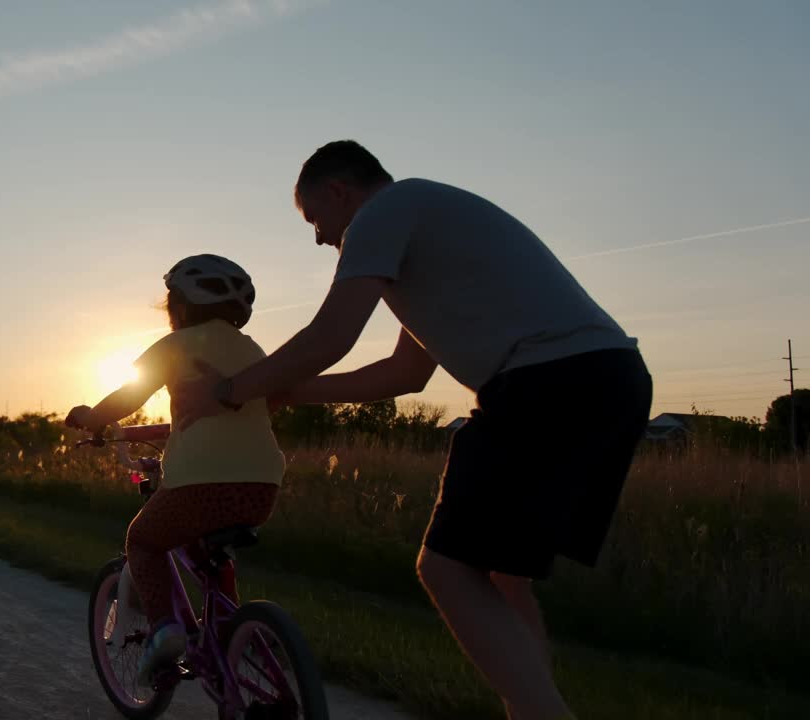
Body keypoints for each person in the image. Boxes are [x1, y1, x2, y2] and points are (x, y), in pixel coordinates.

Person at [171, 140, 653, 720]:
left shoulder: (383, 214)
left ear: (338, 191)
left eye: (314, 220)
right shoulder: (425, 226)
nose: (321, 238)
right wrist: (289, 393)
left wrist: (228, 391)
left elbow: (332, 335)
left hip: (545, 382)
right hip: (610, 379)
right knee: (502, 577)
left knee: (444, 567)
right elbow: (405, 373)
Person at [65, 253, 286, 686]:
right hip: (262, 486)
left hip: (198, 485)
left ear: (179, 307)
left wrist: (92, 418)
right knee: (209, 550)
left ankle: (165, 629)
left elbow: (129, 397)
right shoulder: (252, 349)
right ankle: (230, 632)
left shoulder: (175, 345)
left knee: (143, 540)